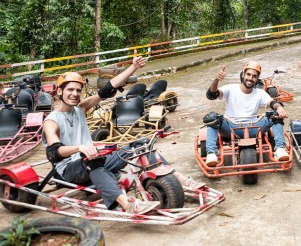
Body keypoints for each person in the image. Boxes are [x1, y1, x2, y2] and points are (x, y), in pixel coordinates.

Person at [43, 51, 202, 215]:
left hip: (93, 157)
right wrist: (80, 148)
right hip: (69, 169)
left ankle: (182, 180)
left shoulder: (80, 109)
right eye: (70, 90)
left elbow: (107, 89)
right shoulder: (51, 121)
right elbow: (55, 151)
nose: (75, 94)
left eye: (78, 90)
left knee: (140, 145)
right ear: (59, 92)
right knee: (94, 162)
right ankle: (129, 205)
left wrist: (133, 67)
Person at [204, 60, 289, 167]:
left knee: (275, 115)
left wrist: (279, 107)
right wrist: (216, 80)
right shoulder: (230, 88)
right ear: (243, 74)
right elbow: (212, 95)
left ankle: (280, 149)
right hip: (230, 128)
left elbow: (272, 103)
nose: (250, 78)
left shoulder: (259, 93)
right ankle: (211, 153)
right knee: (212, 117)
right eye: (248, 74)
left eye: (254, 76)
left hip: (253, 128)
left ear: (257, 79)